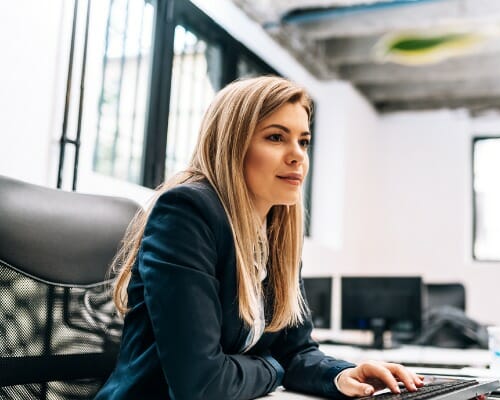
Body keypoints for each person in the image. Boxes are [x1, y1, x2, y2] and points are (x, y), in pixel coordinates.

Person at [96, 76, 424, 399]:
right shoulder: (187, 213)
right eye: (276, 137)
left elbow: (295, 351)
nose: (298, 155)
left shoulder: (272, 235)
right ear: (233, 144)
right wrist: (273, 367)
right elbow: (202, 386)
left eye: (303, 141)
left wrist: (340, 374)